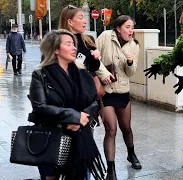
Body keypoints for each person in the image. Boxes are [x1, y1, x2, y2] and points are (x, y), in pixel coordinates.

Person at [28, 29, 106, 180]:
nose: (74, 48)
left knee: (82, 175)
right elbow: (40, 108)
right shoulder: (40, 74)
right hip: (50, 138)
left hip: (81, 138)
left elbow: (93, 102)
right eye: (68, 44)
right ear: (56, 49)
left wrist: (81, 120)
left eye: (74, 44)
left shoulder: (81, 73)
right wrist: (72, 118)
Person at [95, 15, 141, 180]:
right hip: (106, 91)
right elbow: (94, 58)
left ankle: (131, 154)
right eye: (127, 27)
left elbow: (131, 72)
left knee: (126, 128)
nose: (131, 30)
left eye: (132, 27)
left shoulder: (134, 45)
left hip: (122, 91)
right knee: (111, 130)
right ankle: (111, 170)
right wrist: (104, 73)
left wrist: (130, 62)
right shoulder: (106, 36)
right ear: (118, 28)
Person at [58, 5, 111, 127]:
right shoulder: (56, 40)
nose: (85, 21)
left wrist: (96, 58)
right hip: (64, 99)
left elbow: (93, 68)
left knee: (86, 138)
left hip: (85, 98)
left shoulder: (88, 40)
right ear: (70, 22)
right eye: (81, 17)